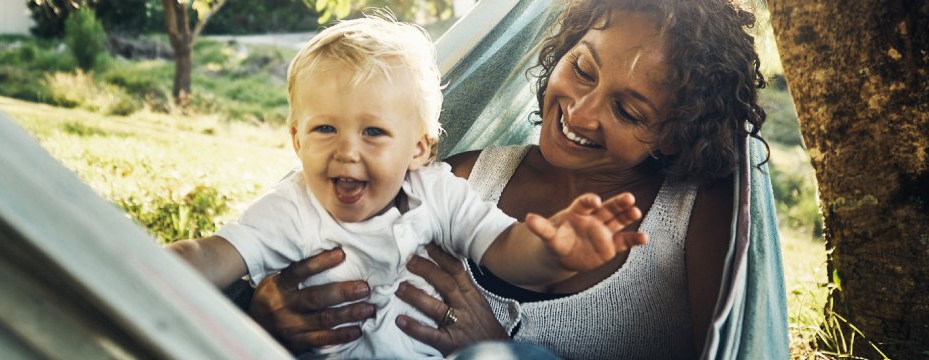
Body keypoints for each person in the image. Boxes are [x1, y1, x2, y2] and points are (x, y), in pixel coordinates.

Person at [244, 0, 775, 358]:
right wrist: (272, 304)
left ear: (676, 135)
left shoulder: (700, 221)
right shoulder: (466, 177)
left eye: (628, 111)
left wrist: (495, 346)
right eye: (582, 69)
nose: (580, 112)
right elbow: (327, 241)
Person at [167, 15, 649, 359]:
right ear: (295, 139)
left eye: (373, 132)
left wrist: (554, 253)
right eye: (324, 129)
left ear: (418, 149)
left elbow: (504, 247)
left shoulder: (436, 193)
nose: (347, 151)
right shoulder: (292, 208)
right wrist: (140, 259)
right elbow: (212, 256)